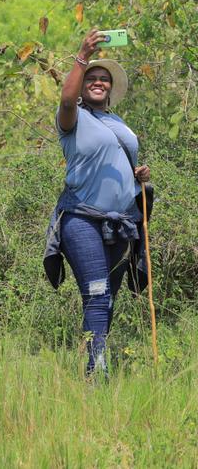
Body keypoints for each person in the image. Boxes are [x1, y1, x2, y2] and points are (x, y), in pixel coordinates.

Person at [44, 30, 150, 375]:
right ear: (82, 83)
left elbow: (112, 160)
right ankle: (96, 369)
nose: (99, 82)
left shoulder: (117, 122)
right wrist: (82, 56)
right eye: (93, 78)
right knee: (97, 292)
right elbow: (64, 100)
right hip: (82, 219)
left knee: (108, 300)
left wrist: (136, 174)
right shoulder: (73, 118)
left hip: (121, 221)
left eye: (104, 79)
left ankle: (96, 357)